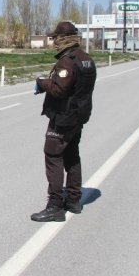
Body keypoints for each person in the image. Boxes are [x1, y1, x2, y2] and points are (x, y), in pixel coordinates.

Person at [31, 21, 96, 222]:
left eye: (55, 38)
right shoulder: (86, 58)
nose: (54, 42)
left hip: (64, 117)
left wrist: (42, 82)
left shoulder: (67, 61)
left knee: (53, 155)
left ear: (62, 38)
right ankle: (74, 200)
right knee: (71, 156)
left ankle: (55, 205)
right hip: (78, 116)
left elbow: (60, 89)